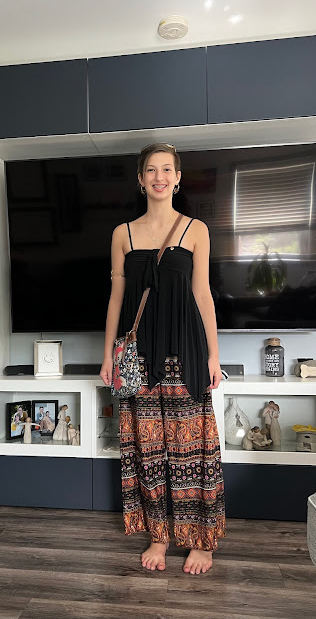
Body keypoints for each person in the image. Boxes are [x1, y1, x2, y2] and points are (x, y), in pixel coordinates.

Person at [99, 142, 225, 575]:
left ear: (178, 178)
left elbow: (203, 294)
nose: (159, 177)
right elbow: (116, 299)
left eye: (167, 169)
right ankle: (159, 536)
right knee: (148, 450)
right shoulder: (123, 233)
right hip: (137, 358)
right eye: (151, 170)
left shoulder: (196, 230)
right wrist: (107, 356)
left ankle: (200, 541)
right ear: (141, 179)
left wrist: (214, 355)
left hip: (186, 353)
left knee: (193, 451)